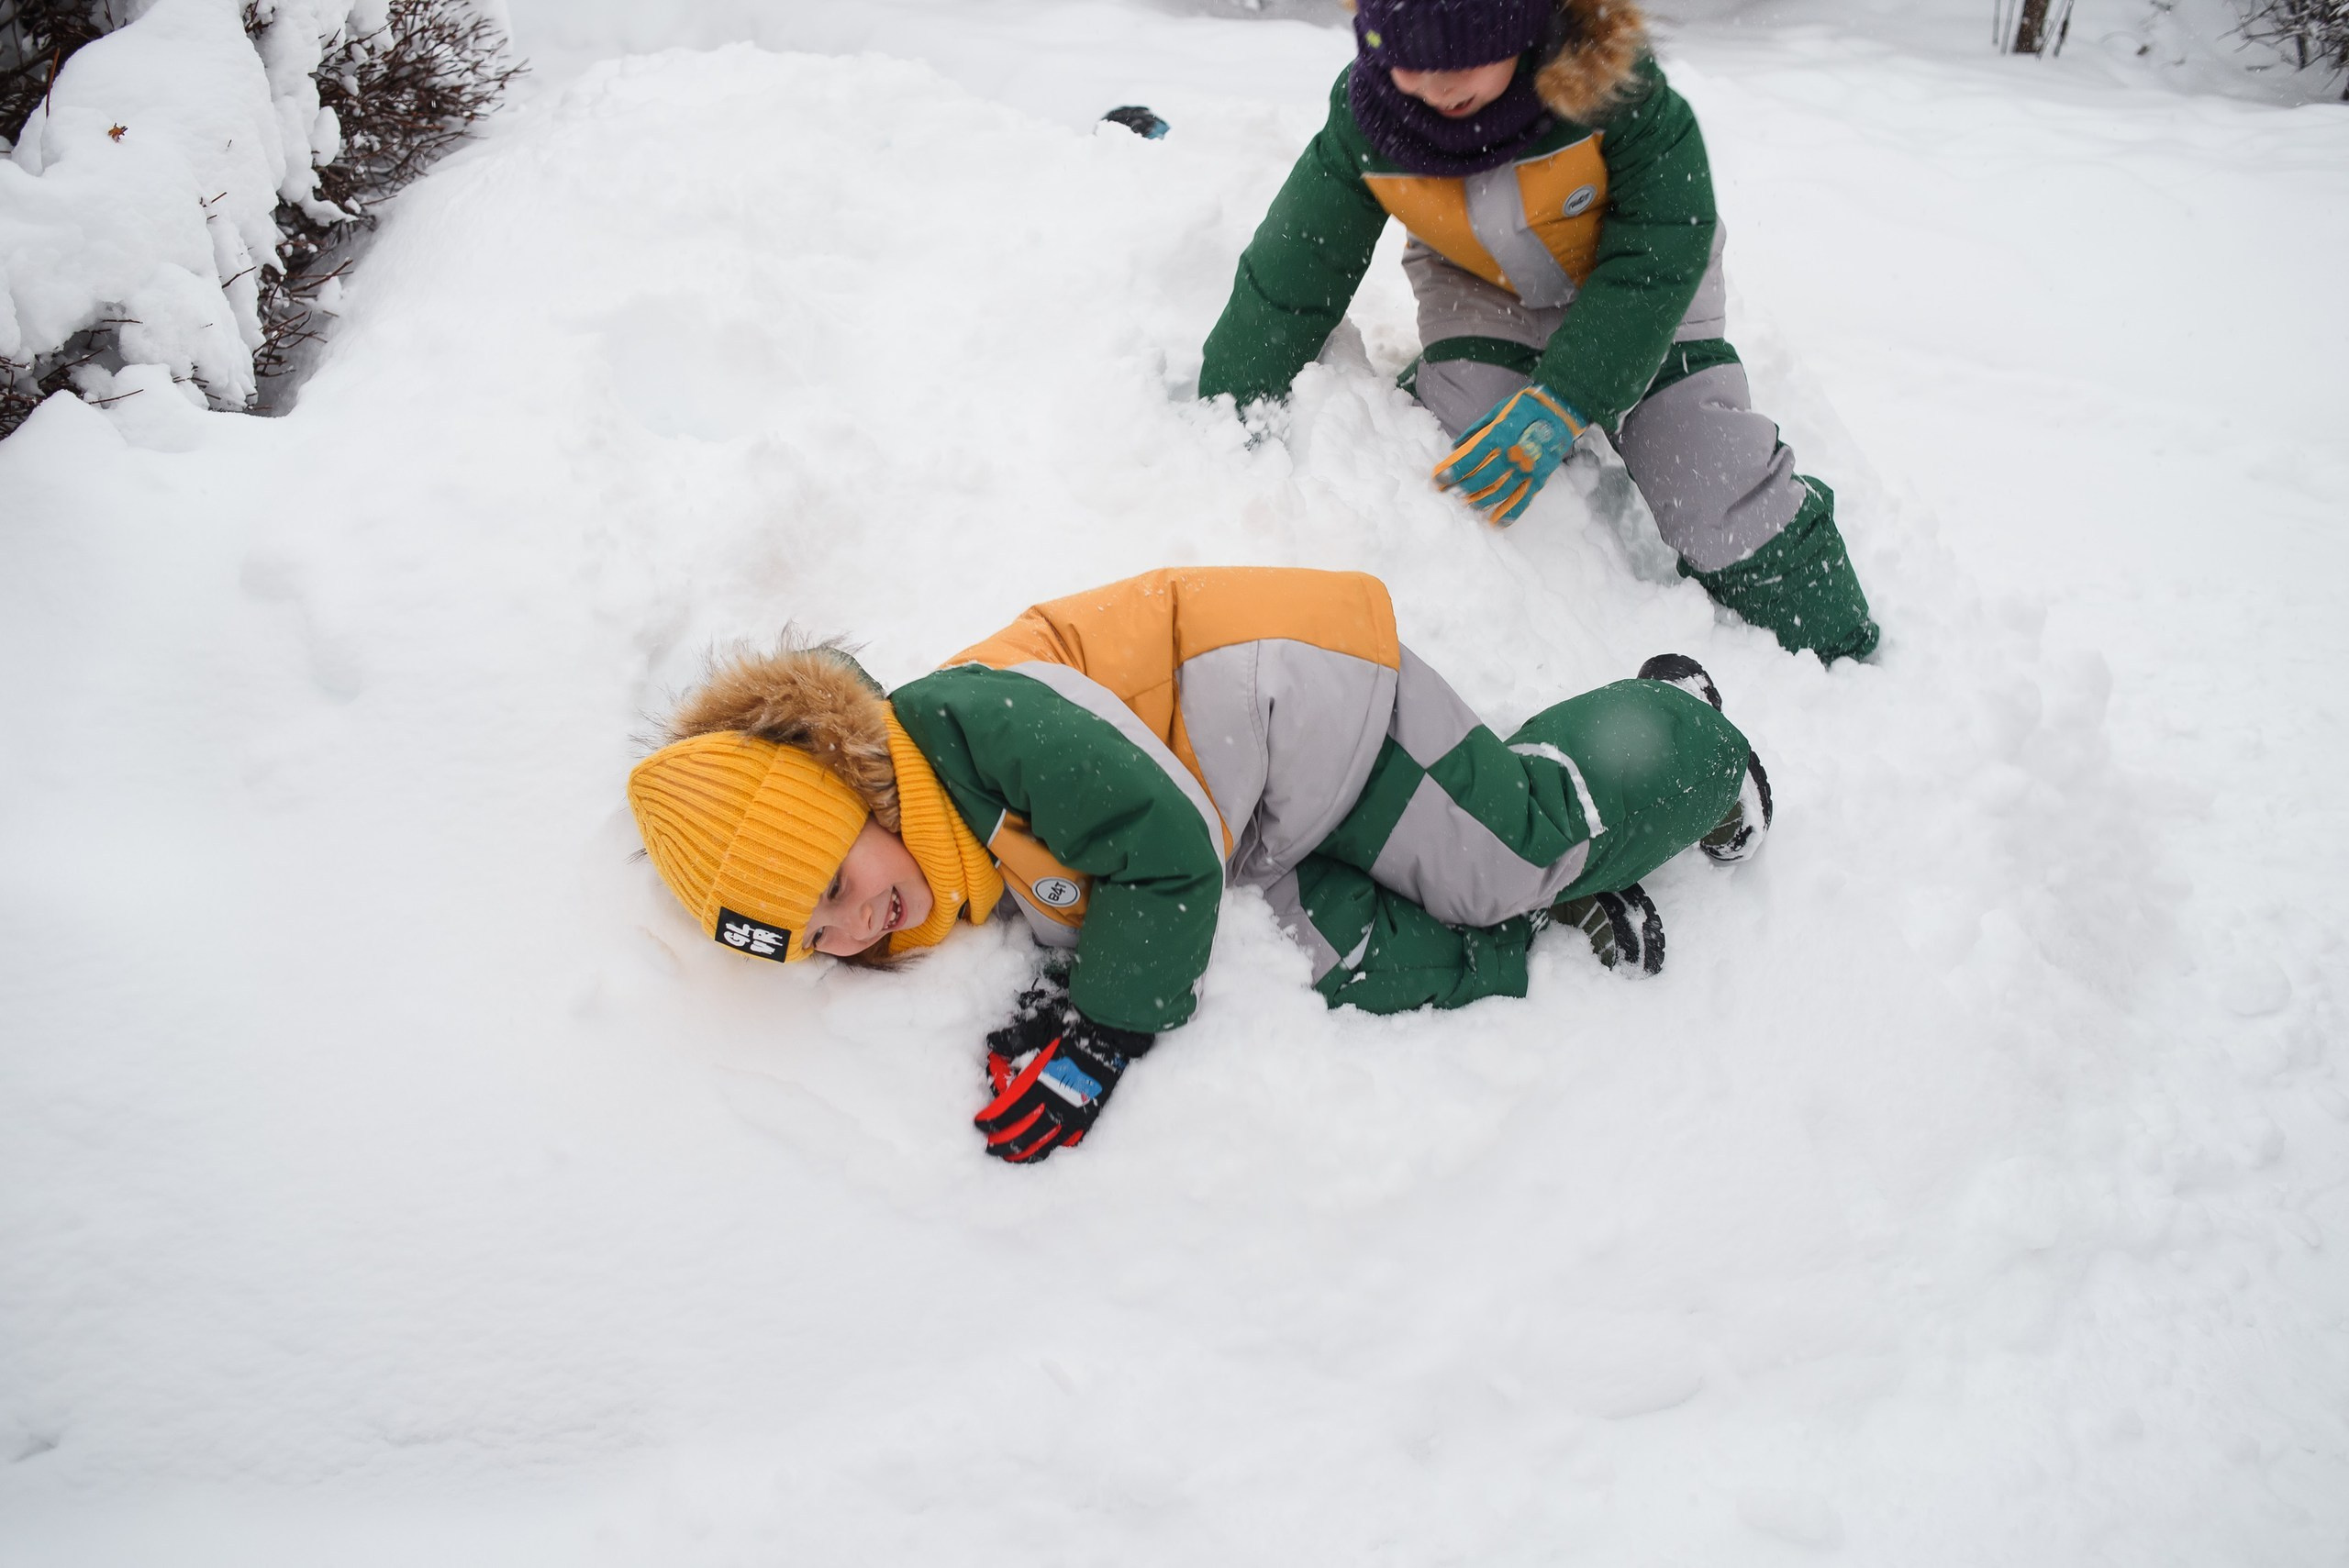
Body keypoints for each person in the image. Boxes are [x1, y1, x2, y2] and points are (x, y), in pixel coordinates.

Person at [626, 566, 1768, 1163]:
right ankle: (1550, 917)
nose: (852, 928)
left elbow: (1159, 840)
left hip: (1306, 706)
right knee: (1345, 960)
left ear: (845, 782)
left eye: (832, 884)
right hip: (1243, 813)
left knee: (1505, 854)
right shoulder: (937, 850)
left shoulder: (967, 722)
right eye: (812, 938)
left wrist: (1102, 1024)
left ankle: (1684, 733)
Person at [1198, 0, 1879, 664]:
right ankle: (1462, 389)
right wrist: (1226, 405)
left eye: (1465, 56)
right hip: (1483, 288)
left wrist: (1571, 393)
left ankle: (1832, 638)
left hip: (1642, 290)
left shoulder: (1608, 84)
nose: (1440, 84)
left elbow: (1662, 243)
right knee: (1463, 453)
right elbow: (1300, 262)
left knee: (1711, 482)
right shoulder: (1370, 117)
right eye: (1411, 60)